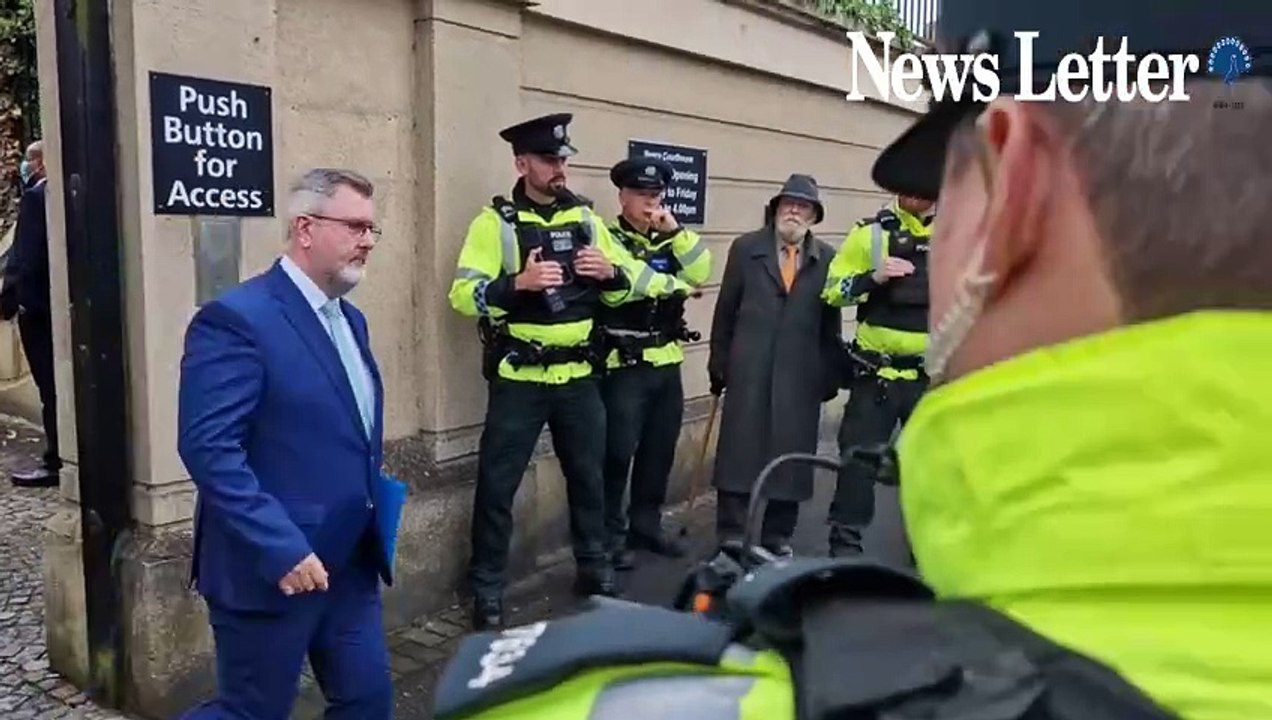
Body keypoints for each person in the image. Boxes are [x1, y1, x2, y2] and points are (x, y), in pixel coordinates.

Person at [430, 4, 1272, 720]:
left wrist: (632, 272)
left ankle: (614, 553)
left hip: (626, 375)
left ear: (1012, 192)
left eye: (950, 182)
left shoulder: (641, 699)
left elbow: (680, 272)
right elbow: (694, 296)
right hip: (545, 377)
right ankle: (544, 568)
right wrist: (520, 288)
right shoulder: (539, 223)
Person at [178, 168, 394, 720]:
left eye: (372, 229)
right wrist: (281, 545)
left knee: (367, 702)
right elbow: (209, 450)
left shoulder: (353, 320)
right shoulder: (235, 320)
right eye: (355, 226)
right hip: (272, 565)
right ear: (305, 227)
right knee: (251, 712)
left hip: (349, 562)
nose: (368, 240)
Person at [449, 113, 651, 630]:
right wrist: (516, 284)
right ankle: (488, 587)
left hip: (579, 378)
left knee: (589, 477)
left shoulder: (586, 219)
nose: (560, 168)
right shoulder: (494, 223)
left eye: (563, 159)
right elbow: (462, 296)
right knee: (498, 485)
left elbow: (628, 286)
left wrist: (610, 274)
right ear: (522, 163)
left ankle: (593, 566)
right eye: (548, 159)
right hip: (521, 378)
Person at [707, 173, 841, 556]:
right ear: (776, 210)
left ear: (814, 216)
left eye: (803, 207)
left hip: (800, 375)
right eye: (788, 205)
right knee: (738, 454)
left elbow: (829, 324)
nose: (794, 212)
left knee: (792, 457)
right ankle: (732, 536)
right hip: (749, 366)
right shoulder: (745, 249)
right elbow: (725, 310)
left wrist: (828, 373)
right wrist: (719, 361)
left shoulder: (827, 259)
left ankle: (776, 537)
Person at [596, 157, 712, 569]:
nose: (650, 203)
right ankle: (609, 536)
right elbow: (626, 287)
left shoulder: (669, 237)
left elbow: (703, 269)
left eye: (655, 196)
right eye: (641, 195)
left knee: (659, 451)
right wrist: (676, 287)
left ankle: (645, 525)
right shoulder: (607, 237)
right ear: (623, 196)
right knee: (616, 454)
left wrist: (676, 233)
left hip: (666, 360)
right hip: (624, 362)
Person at [820, 193, 934, 556]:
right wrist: (873, 277)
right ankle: (845, 544)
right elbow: (831, 292)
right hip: (876, 374)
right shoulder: (869, 235)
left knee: (932, 465)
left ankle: (929, 547)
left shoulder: (958, 236)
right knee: (857, 460)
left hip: (929, 377)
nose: (915, 191)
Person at [1, 140, 61, 488]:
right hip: (63, 307)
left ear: (40, 163)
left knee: (50, 389)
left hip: (38, 311)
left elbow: (24, 258)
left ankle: (56, 461)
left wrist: (10, 302)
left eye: (30, 160)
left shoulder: (39, 198)